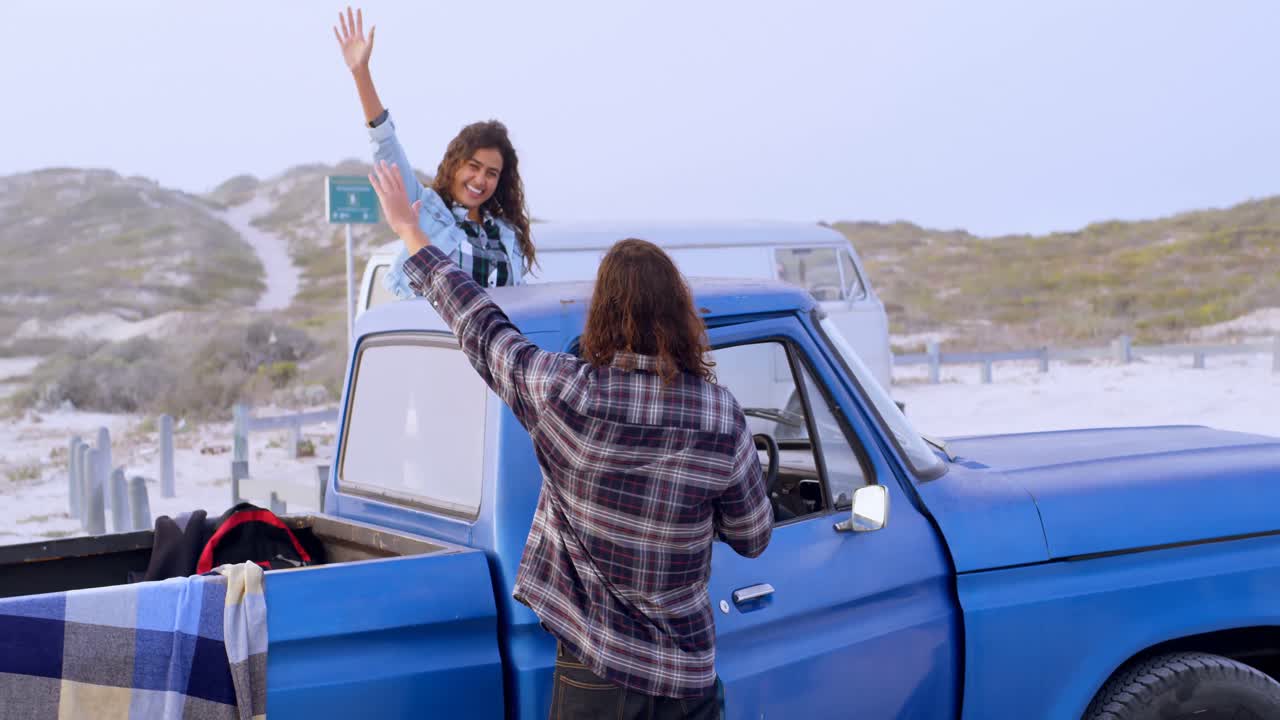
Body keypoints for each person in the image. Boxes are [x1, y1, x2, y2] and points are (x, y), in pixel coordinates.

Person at [368, 159, 772, 719]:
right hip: (685, 677)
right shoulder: (719, 415)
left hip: (594, 672)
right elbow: (752, 537)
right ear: (681, 314)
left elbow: (482, 326)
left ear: (601, 312)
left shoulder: (564, 393)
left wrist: (411, 234)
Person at [334, 6, 535, 296]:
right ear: (455, 165)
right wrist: (361, 73)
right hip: (435, 341)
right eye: (473, 166)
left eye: (492, 173)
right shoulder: (424, 210)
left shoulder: (506, 235)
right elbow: (385, 143)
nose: (480, 180)